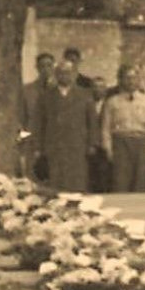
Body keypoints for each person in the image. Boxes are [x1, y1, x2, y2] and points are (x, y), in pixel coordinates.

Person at [40, 59, 100, 192]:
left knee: (77, 179)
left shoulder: (85, 94)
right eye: (60, 73)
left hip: (77, 144)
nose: (64, 76)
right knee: (56, 178)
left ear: (74, 74)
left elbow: (92, 121)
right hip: (55, 144)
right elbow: (40, 123)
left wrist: (92, 143)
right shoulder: (47, 96)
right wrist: (39, 146)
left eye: (68, 73)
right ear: (55, 75)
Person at [100, 65, 145, 193]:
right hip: (120, 143)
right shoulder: (112, 102)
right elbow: (106, 128)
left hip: (141, 143)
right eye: (127, 78)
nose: (131, 81)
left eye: (134, 78)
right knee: (120, 181)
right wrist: (108, 148)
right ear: (120, 80)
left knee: (140, 181)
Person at [21, 52, 56, 180]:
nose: (46, 69)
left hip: (54, 141)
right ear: (37, 68)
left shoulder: (59, 91)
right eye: (42, 66)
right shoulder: (27, 91)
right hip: (33, 141)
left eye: (49, 65)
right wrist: (24, 140)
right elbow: (22, 119)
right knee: (33, 177)